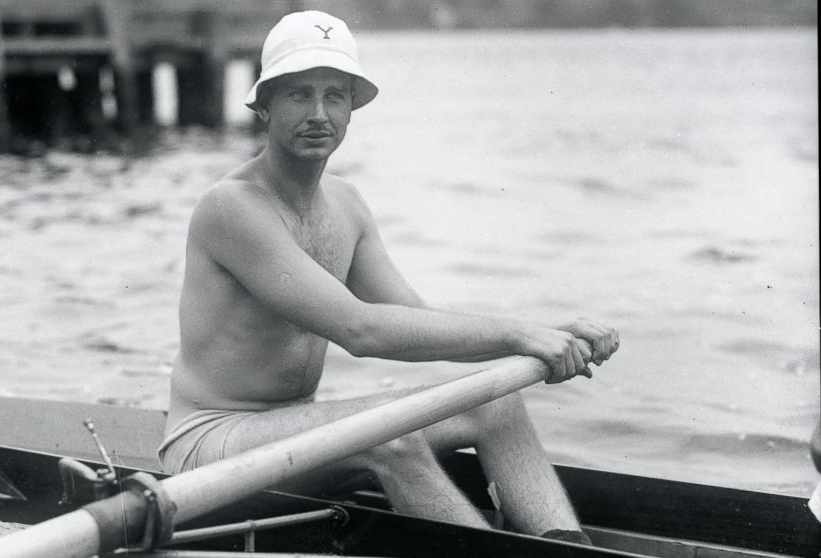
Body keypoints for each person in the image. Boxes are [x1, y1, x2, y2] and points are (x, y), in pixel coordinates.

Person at [158, 10, 619, 544]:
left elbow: (416, 320)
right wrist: (518, 335)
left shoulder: (347, 205)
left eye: (334, 95)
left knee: (496, 404)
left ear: (352, 108)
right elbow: (362, 331)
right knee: (388, 438)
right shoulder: (230, 208)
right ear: (263, 105)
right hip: (208, 448)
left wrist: (547, 335)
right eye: (298, 95)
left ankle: (568, 546)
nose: (318, 114)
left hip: (291, 438)